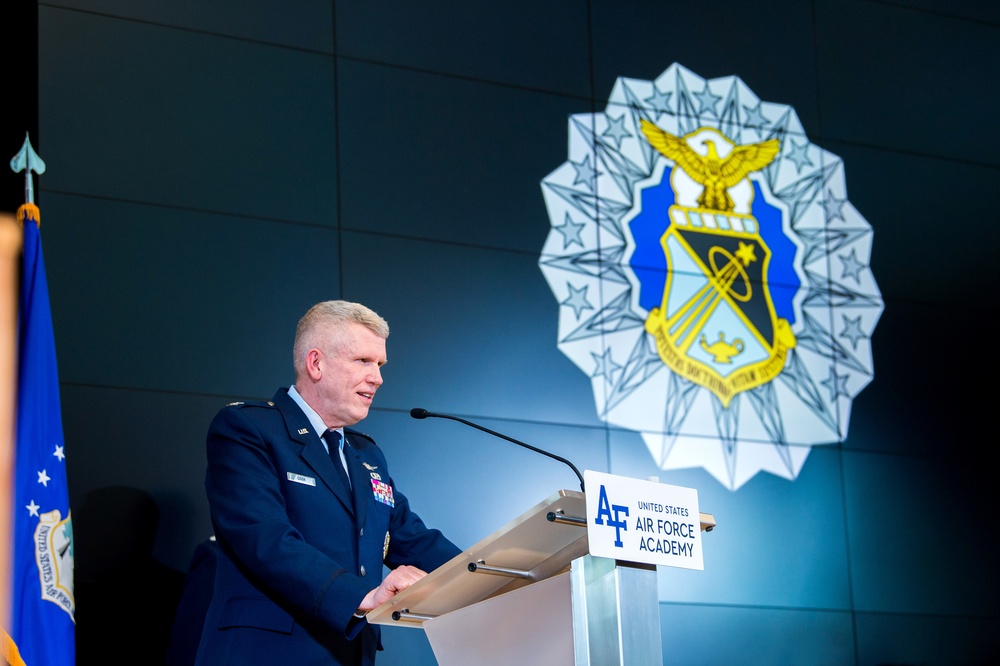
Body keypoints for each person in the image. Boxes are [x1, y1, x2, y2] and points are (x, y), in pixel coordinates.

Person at [195, 300, 461, 665]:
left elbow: (413, 540)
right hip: (266, 653)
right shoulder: (249, 430)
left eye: (380, 364)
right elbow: (264, 539)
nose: (378, 377)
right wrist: (361, 597)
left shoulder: (366, 455)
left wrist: (501, 572)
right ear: (316, 363)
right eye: (363, 361)